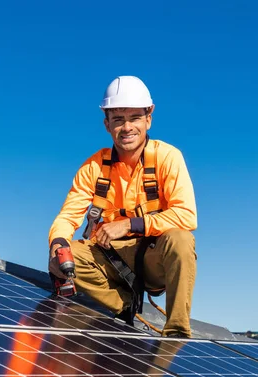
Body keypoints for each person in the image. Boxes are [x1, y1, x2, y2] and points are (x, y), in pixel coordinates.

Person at [48, 75, 198, 338]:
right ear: (107, 125)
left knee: (181, 240)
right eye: (118, 119)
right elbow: (67, 217)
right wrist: (58, 244)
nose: (127, 127)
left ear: (148, 118)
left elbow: (186, 215)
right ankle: (124, 304)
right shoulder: (94, 166)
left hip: (153, 257)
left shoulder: (167, 157)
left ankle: (176, 332)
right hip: (109, 260)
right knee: (63, 256)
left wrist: (129, 225)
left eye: (134, 118)